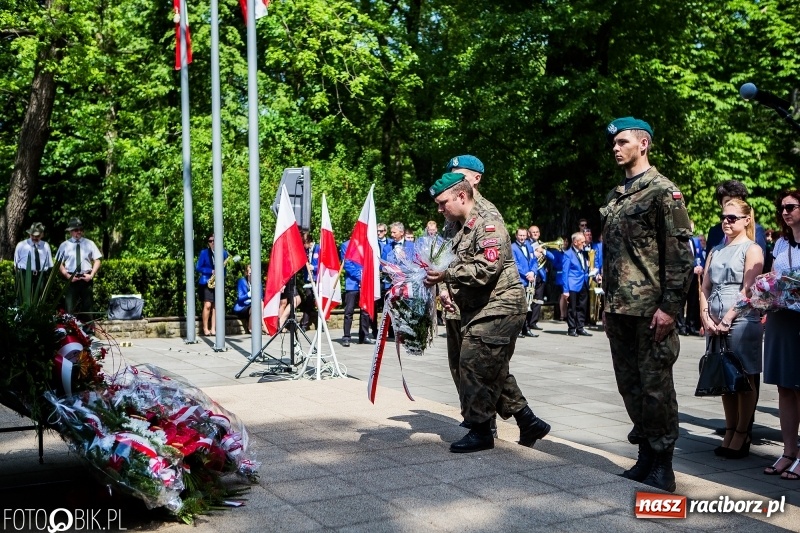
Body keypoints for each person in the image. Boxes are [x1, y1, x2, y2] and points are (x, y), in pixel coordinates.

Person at [425, 172, 550, 453]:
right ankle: (528, 421)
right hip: (480, 307)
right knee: (491, 366)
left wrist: (447, 275)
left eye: (443, 203)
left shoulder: (487, 223)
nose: (440, 209)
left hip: (501, 306)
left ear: (461, 196)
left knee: (472, 362)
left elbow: (486, 269)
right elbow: (447, 261)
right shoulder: (459, 226)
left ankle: (481, 431)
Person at [600, 117, 693, 493]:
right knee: (630, 386)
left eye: (623, 142)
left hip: (651, 310)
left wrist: (670, 308)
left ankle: (663, 464)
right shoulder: (614, 196)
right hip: (620, 308)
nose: (615, 148)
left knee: (656, 389)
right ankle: (645, 456)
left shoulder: (664, 192)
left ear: (644, 144)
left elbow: (680, 256)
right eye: (613, 143)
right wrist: (607, 306)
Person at [699, 199, 764, 459]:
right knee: (724, 377)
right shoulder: (716, 249)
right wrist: (705, 316)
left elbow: (748, 289)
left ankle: (742, 432)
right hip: (715, 321)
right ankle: (729, 429)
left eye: (732, 217)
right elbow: (705, 287)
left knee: (744, 376)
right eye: (724, 217)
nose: (726, 221)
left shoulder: (752, 249)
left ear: (746, 220)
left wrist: (727, 318)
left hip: (741, 319)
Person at [762, 190, 800, 480]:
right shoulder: (781, 244)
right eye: (783, 207)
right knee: (784, 387)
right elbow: (774, 277)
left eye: (791, 206)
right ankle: (789, 452)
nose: (785, 212)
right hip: (781, 318)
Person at [705, 180, 767, 261]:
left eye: (736, 201)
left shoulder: (756, 230)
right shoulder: (714, 232)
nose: (732, 205)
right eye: (727, 201)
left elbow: (760, 263)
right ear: (721, 204)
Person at [57, 217, 103, 322]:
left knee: (88, 307)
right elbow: (58, 263)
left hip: (86, 278)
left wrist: (92, 275)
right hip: (71, 278)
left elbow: (98, 260)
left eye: (80, 229)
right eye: (76, 230)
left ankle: (89, 329)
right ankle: (70, 328)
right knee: (70, 307)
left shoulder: (89, 243)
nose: (79, 232)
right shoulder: (64, 245)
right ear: (70, 232)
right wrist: (67, 275)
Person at [339, 239, 373, 347]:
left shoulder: (367, 243)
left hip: (366, 282)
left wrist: (365, 276)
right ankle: (346, 337)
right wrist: (360, 276)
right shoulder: (346, 245)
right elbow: (347, 264)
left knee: (365, 311)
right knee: (349, 310)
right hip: (352, 283)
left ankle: (364, 336)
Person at [560, 232, 594, 337]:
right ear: (575, 242)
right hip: (573, 284)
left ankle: (580, 327)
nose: (584, 244)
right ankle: (571, 329)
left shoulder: (584, 253)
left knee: (582, 307)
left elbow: (584, 268)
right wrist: (565, 290)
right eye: (582, 242)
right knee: (572, 308)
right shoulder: (568, 254)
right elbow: (565, 273)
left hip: (583, 282)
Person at [195, 234, 229, 335]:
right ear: (208, 243)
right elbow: (198, 267)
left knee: (216, 306)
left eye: (214, 240)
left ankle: (213, 329)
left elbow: (224, 268)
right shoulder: (204, 253)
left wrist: (222, 276)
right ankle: (205, 328)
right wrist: (211, 271)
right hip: (207, 281)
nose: (213, 243)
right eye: (210, 241)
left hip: (218, 282)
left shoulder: (223, 253)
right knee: (208, 305)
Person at [511, 228, 539, 338]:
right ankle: (517, 330)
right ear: (516, 236)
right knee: (519, 307)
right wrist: (527, 274)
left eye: (524, 235)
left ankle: (526, 329)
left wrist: (533, 272)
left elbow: (534, 260)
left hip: (529, 280)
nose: (522, 238)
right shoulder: (512, 247)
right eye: (520, 235)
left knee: (528, 306)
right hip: (520, 280)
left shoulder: (529, 246)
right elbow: (515, 264)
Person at [233, 264, 264, 335]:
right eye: (250, 273)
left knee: (259, 304)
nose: (252, 275)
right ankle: (251, 328)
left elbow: (261, 297)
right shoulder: (242, 281)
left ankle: (262, 326)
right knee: (254, 307)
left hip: (254, 305)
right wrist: (248, 295)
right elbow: (240, 298)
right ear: (246, 273)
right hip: (242, 307)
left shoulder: (258, 282)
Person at [299, 232, 320, 331]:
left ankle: (320, 324)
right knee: (308, 300)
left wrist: (314, 267)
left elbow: (323, 264)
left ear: (308, 241)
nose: (303, 246)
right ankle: (304, 325)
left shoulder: (318, 248)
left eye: (304, 243)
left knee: (318, 302)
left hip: (317, 279)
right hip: (308, 280)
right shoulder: (305, 251)